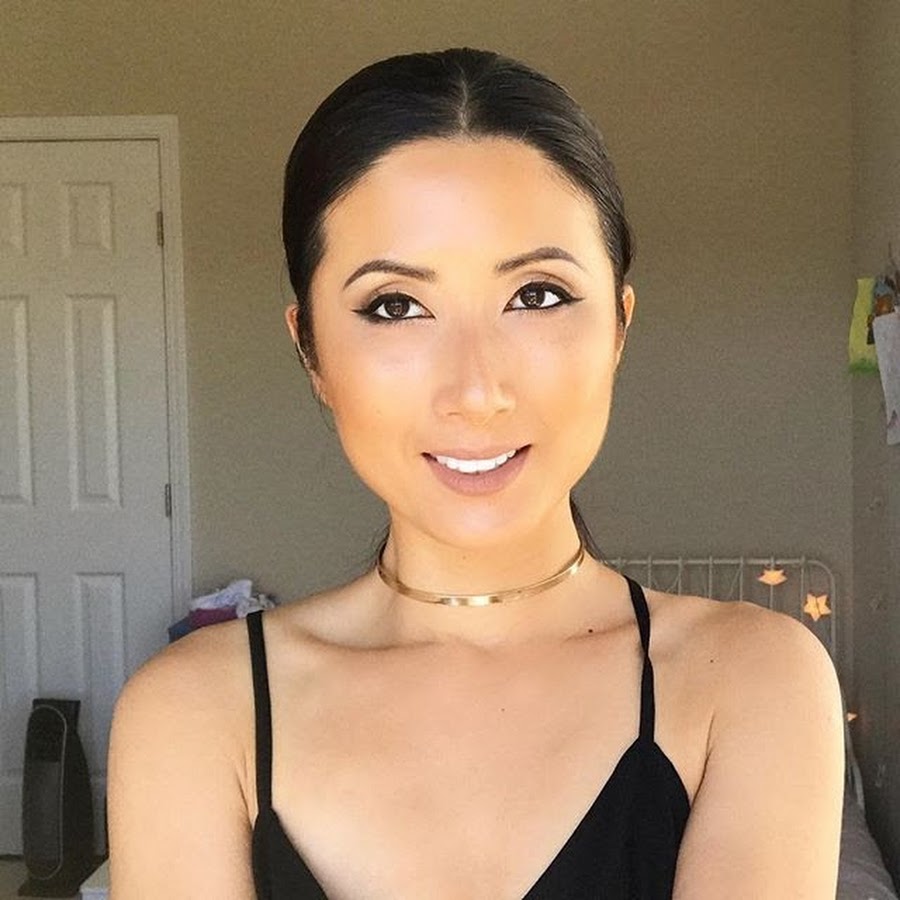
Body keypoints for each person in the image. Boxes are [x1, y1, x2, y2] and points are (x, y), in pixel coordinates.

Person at [107, 47, 844, 899]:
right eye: (395, 306)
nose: (476, 390)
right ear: (311, 350)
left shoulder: (749, 681)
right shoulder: (197, 711)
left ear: (618, 327)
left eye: (537, 295)